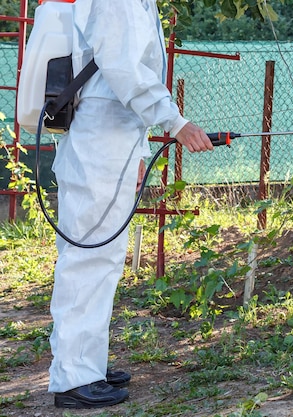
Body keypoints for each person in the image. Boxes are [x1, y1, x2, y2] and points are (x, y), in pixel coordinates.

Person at [48, 0, 214, 408]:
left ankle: (87, 364)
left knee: (102, 258)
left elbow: (115, 80)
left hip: (112, 143)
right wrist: (174, 122)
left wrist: (136, 152)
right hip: (97, 144)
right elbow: (124, 69)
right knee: (87, 257)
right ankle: (73, 378)